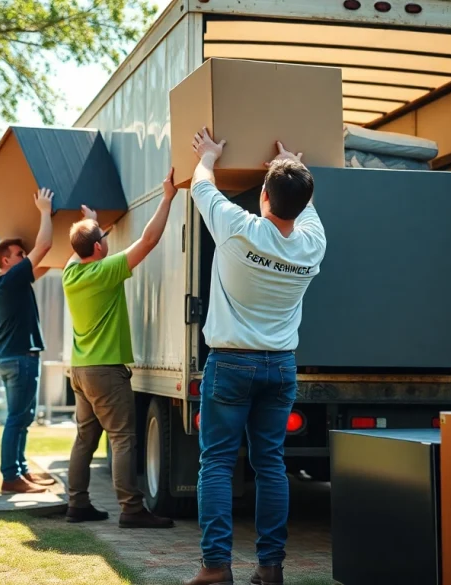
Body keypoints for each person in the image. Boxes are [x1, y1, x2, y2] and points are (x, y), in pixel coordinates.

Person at [184, 129, 326, 585]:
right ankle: (270, 569)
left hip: (230, 365)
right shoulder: (312, 244)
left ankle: (215, 568)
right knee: (271, 465)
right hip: (280, 367)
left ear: (262, 196)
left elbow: (201, 183)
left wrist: (209, 154)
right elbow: (306, 207)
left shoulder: (237, 227)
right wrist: (290, 165)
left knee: (219, 465)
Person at [61, 169, 179, 529]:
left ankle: (77, 503)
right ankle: (131, 508)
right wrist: (168, 197)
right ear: (99, 248)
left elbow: (81, 246)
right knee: (123, 438)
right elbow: (147, 240)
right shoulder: (105, 272)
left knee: (85, 438)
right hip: (105, 370)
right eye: (101, 237)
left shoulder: (70, 272)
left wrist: (90, 222)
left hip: (80, 371)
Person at [0, 187, 59, 495]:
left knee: (23, 417)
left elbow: (46, 260)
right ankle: (10, 476)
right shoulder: (12, 278)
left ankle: (21, 471)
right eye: (20, 253)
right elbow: (43, 247)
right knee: (18, 418)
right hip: (20, 359)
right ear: (6, 260)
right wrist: (44, 210)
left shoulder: (6, 283)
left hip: (14, 358)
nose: (25, 255)